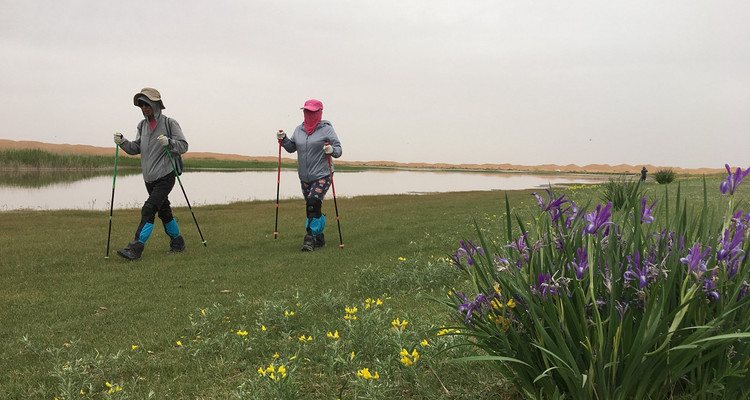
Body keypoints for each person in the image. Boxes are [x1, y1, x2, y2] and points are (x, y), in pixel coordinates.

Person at [113, 88, 189, 260]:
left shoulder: (170, 123)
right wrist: (123, 142)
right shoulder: (142, 125)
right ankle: (178, 243)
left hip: (166, 176)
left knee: (149, 209)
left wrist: (169, 142)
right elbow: (136, 148)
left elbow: (184, 146)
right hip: (149, 178)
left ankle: (135, 248)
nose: (144, 107)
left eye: (147, 103)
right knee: (164, 212)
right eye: (141, 104)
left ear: (156, 104)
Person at [277, 99, 343, 251]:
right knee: (312, 206)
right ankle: (319, 236)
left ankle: (309, 238)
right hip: (305, 176)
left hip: (323, 173)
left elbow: (339, 150)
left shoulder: (326, 130)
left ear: (319, 112)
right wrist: (284, 139)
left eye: (312, 112)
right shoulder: (299, 130)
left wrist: (331, 150)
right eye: (306, 111)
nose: (309, 114)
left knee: (313, 203)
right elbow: (292, 147)